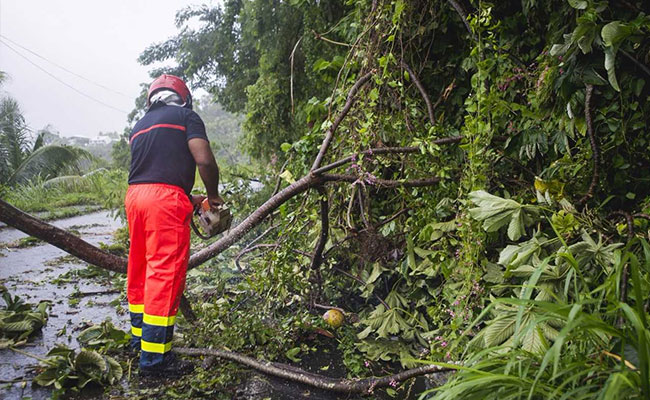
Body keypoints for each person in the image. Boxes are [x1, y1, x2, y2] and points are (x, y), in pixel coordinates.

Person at [125, 74, 221, 377]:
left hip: (135, 198)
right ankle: (154, 363)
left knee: (140, 268)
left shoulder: (139, 126)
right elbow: (203, 160)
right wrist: (213, 196)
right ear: (184, 97)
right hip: (163, 202)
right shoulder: (186, 117)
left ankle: (138, 341)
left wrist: (187, 196)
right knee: (164, 275)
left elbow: (155, 171)